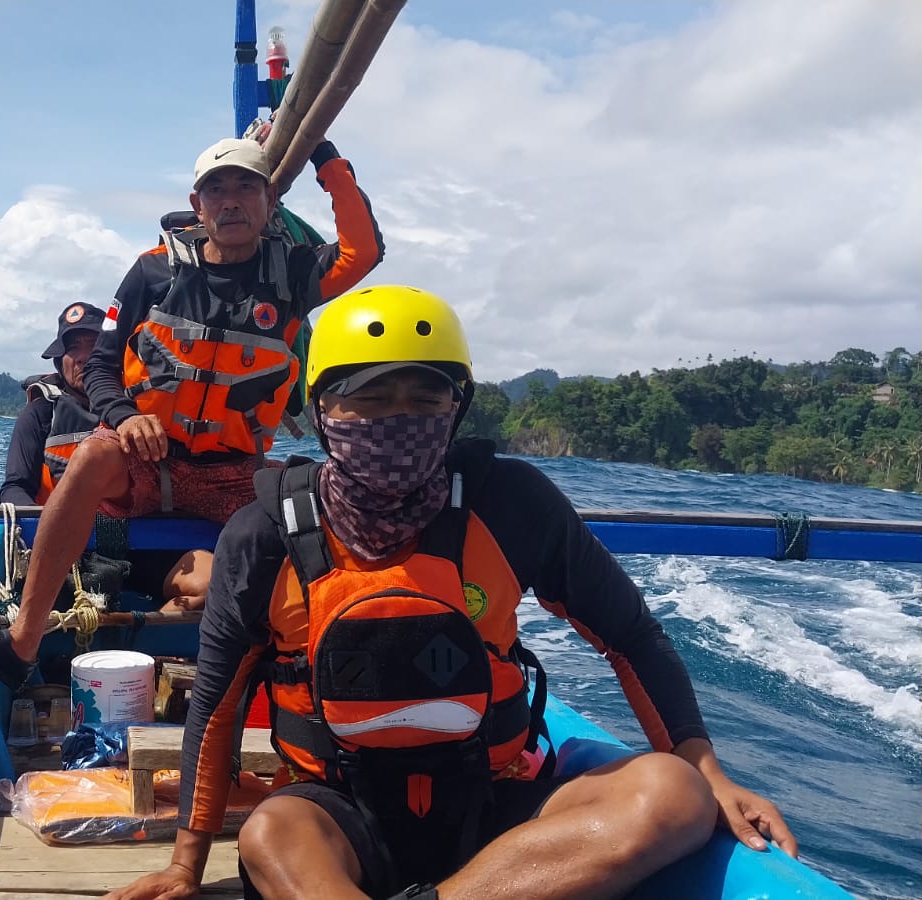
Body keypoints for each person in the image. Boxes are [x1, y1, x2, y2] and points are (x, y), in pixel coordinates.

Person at [105, 285, 799, 900]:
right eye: (370, 397)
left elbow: (632, 637)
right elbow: (219, 703)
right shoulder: (266, 534)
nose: (398, 419)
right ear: (321, 410)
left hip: (500, 808)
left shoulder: (511, 503)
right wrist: (186, 866)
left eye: (425, 396)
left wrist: (705, 767)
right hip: (342, 810)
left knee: (674, 795)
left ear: (457, 405)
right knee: (272, 833)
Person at [0, 135, 384, 686]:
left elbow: (362, 251)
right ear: (198, 206)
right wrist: (125, 416)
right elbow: (100, 365)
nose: (231, 201)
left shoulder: (293, 274)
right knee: (94, 455)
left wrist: (322, 154)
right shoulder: (154, 273)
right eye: (216, 190)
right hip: (148, 463)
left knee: (316, 490)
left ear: (270, 202)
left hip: (232, 475)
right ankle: (21, 643)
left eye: (247, 187)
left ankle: (340, 645)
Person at [0, 301, 212, 609]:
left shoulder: (144, 408)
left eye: (94, 345)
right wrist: (50, 530)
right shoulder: (40, 414)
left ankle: (148, 643)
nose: (84, 357)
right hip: (68, 554)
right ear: (60, 360)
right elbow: (13, 487)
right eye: (74, 348)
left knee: (213, 582)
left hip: (139, 547)